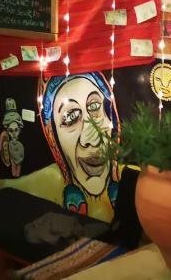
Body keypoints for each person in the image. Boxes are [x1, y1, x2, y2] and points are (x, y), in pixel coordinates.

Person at [39, 73, 119, 217]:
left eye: (94, 106)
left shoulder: (140, 177)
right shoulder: (41, 180)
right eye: (71, 117)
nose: (92, 140)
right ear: (53, 136)